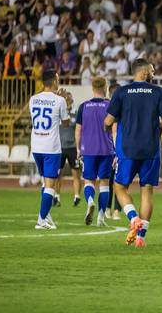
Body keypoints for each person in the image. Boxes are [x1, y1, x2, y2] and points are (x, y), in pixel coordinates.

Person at [104, 59, 162, 248]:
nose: (154, 73)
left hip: (127, 150)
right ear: (144, 71)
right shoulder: (159, 92)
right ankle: (141, 237)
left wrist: (108, 130)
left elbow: (108, 121)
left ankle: (133, 218)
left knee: (120, 188)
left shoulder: (121, 92)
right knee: (147, 192)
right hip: (151, 150)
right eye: (152, 70)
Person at [29, 70, 71, 229]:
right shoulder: (59, 100)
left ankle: (45, 215)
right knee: (50, 185)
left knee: (45, 182)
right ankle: (41, 220)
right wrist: (67, 106)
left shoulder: (33, 99)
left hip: (36, 146)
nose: (58, 82)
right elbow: (66, 123)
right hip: (51, 147)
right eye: (58, 79)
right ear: (53, 81)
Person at [75, 77, 115, 227]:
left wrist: (79, 149)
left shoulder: (83, 106)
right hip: (106, 149)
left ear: (92, 88)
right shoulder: (110, 106)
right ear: (105, 87)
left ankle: (90, 201)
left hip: (88, 150)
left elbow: (78, 130)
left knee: (89, 181)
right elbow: (115, 128)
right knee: (104, 184)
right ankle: (100, 218)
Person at [54, 92, 82, 208]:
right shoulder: (59, 112)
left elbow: (77, 128)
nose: (68, 101)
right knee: (57, 174)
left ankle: (76, 196)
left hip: (72, 148)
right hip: (59, 148)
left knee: (75, 173)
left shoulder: (75, 113)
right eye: (66, 99)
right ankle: (57, 196)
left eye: (69, 99)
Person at [106, 83, 122, 220]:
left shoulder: (120, 108)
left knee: (116, 180)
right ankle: (108, 209)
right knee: (110, 180)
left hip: (115, 149)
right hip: (111, 150)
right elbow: (114, 130)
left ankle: (116, 209)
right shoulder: (111, 109)